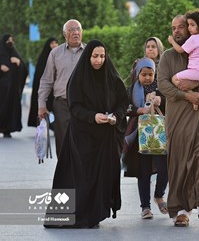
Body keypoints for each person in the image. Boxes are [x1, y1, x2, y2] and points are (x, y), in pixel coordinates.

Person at [44, 39, 129, 228]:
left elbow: (123, 101)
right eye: (95, 56)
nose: (99, 60)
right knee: (82, 176)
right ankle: (77, 214)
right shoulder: (78, 78)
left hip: (105, 137)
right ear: (88, 56)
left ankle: (95, 214)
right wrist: (93, 117)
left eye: (102, 56)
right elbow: (75, 106)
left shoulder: (111, 77)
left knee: (101, 176)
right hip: (82, 136)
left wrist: (116, 116)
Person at [158, 14, 199, 227]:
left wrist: (194, 83)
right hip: (178, 120)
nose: (177, 31)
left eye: (181, 27)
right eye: (173, 28)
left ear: (191, 30)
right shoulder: (169, 56)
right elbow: (163, 84)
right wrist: (186, 95)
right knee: (180, 166)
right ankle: (181, 210)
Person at [124, 57, 168, 219]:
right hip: (139, 137)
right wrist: (139, 110)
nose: (148, 78)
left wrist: (160, 100)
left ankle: (159, 195)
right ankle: (145, 207)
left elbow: (170, 103)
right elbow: (125, 108)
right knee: (143, 173)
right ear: (137, 74)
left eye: (151, 74)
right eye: (144, 74)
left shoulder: (160, 88)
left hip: (159, 136)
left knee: (164, 169)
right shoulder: (131, 90)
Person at [38, 19, 85, 157]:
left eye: (78, 29)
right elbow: (46, 80)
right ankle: (64, 174)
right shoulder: (55, 53)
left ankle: (82, 175)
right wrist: (41, 104)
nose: (75, 32)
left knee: (83, 140)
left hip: (85, 105)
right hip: (62, 104)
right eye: (71, 30)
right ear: (65, 34)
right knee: (64, 140)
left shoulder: (90, 52)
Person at [167, 9, 199, 133]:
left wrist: (171, 41)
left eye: (191, 25)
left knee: (175, 78)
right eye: (189, 25)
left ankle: (193, 95)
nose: (190, 28)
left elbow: (180, 50)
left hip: (198, 71)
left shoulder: (195, 38)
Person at [0, 34, 28, 138]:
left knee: (10, 109)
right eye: (8, 40)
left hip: (12, 89)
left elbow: (24, 70)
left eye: (11, 39)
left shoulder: (15, 53)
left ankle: (7, 130)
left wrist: (19, 63)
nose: (10, 42)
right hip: (1, 90)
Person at [28, 37, 59, 128]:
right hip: (46, 89)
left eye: (56, 43)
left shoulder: (60, 56)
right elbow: (40, 74)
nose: (54, 45)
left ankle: (55, 126)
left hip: (56, 89)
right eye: (52, 43)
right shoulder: (43, 58)